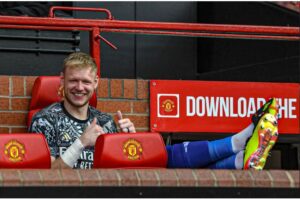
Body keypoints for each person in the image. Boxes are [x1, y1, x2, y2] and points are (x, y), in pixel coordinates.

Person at [29, 52, 279, 170]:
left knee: (161, 154)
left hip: (115, 190)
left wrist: (130, 141)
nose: (79, 88)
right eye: (73, 81)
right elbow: (47, 176)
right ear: (61, 81)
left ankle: (237, 157)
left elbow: (127, 166)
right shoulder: (45, 119)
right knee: (164, 157)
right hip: (75, 194)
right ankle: (238, 144)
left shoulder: (105, 120)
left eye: (86, 82)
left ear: (96, 83)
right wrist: (82, 142)